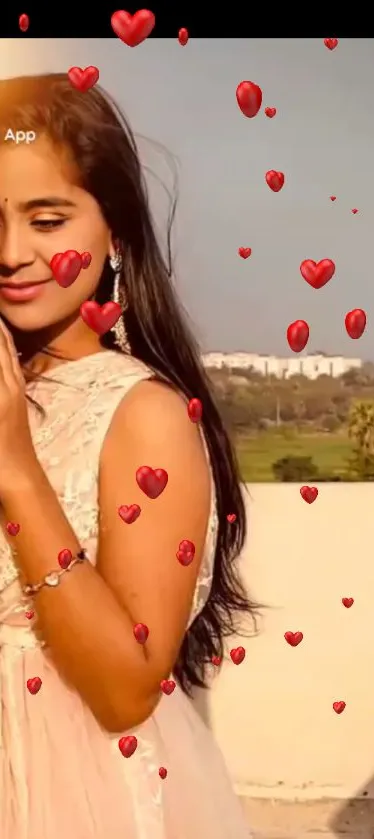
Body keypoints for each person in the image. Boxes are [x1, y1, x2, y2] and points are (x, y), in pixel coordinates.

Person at [0, 73, 257, 839]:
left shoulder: (142, 415)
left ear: (114, 233)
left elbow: (123, 688)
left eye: (48, 220)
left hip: (66, 795)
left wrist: (15, 468)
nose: (12, 253)